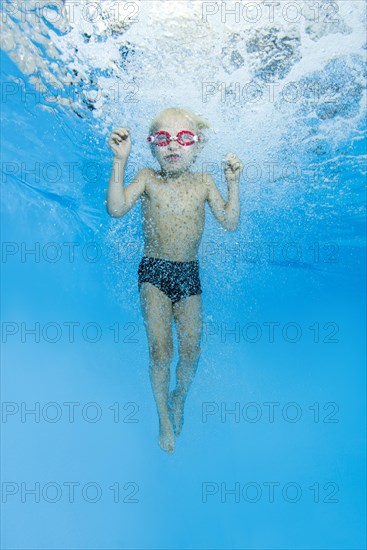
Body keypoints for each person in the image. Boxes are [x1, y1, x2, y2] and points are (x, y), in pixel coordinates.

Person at [106, 107, 242, 453]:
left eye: (184, 138)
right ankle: (163, 420)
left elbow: (229, 221)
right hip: (154, 271)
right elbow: (116, 208)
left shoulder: (205, 182)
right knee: (161, 351)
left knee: (193, 349)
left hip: (188, 274)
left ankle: (179, 397)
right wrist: (120, 161)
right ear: (152, 147)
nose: (173, 145)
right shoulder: (148, 177)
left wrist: (233, 184)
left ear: (197, 148)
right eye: (162, 139)